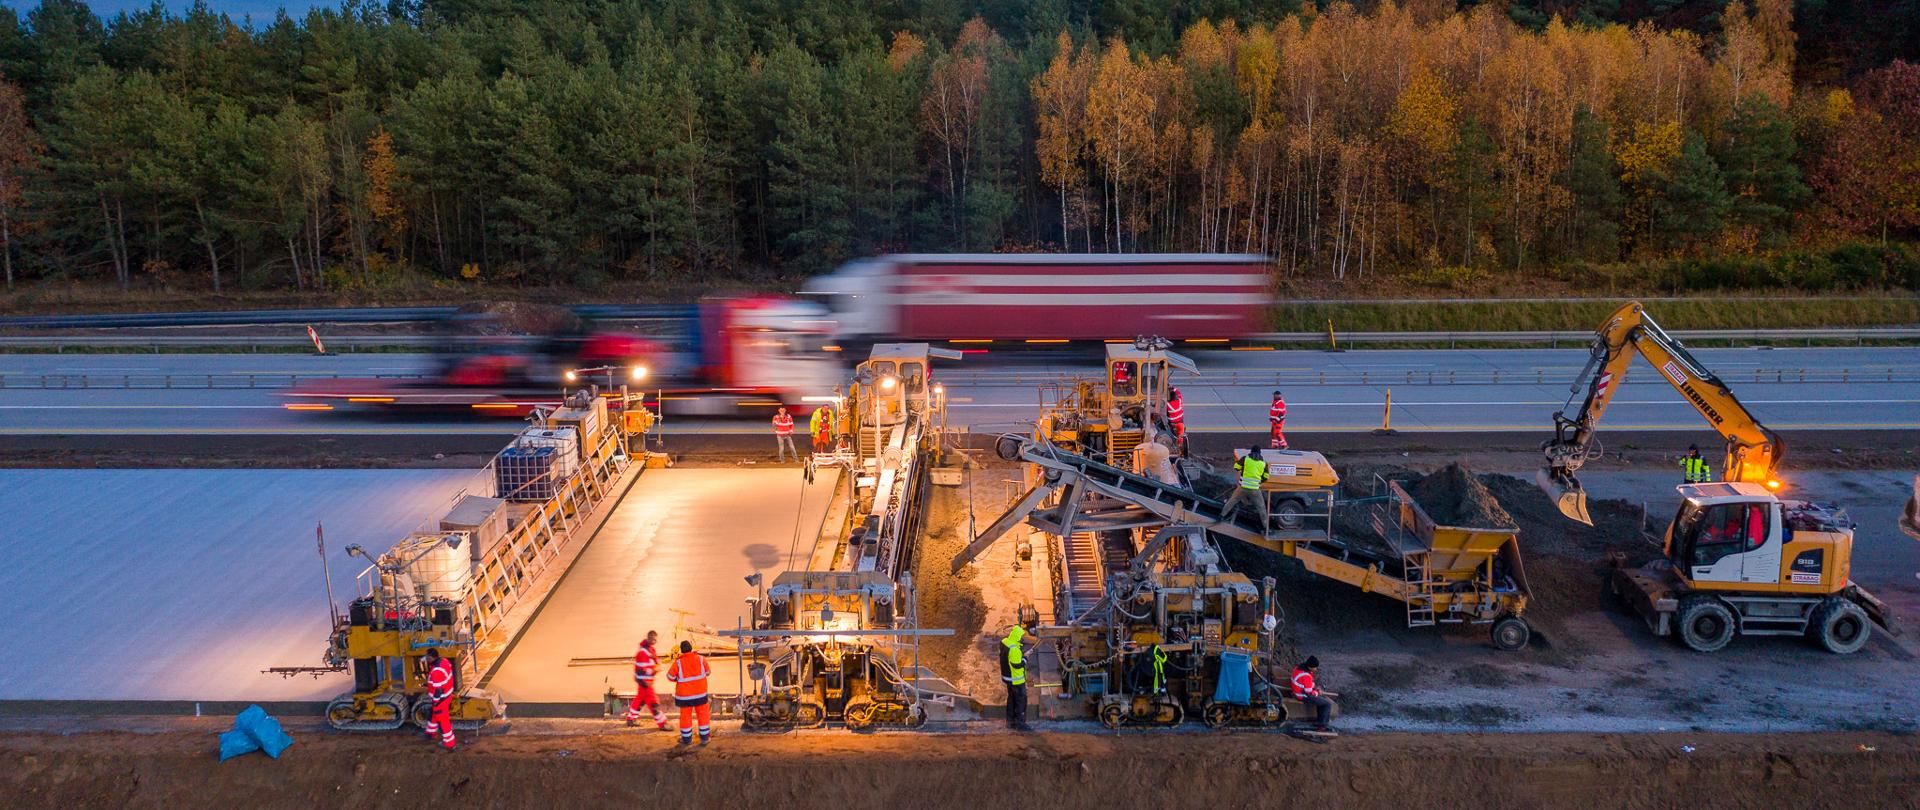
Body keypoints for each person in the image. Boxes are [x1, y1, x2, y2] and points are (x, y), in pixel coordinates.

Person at [665, 640, 712, 746]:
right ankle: (704, 738)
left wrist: (678, 678)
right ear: (691, 648)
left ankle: (687, 740)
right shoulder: (701, 659)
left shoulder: (678, 662)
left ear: (682, 651)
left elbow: (670, 677)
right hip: (700, 694)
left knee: (685, 717)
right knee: (703, 715)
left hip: (685, 697)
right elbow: (708, 672)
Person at [623, 631, 668, 730]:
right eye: (652, 639)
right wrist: (655, 670)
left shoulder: (650, 650)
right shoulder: (644, 652)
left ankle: (631, 719)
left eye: (655, 639)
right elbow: (641, 671)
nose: (654, 641)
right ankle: (662, 724)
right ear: (648, 638)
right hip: (645, 683)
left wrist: (657, 667)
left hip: (644, 682)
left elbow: (649, 665)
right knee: (653, 703)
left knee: (640, 700)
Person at [1221, 446, 1268, 526]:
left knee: (1232, 501)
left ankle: (1221, 516)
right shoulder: (1263, 463)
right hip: (1255, 489)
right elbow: (1266, 477)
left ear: (1251, 451)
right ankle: (1265, 526)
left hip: (1243, 487)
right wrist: (1259, 482)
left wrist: (1243, 468)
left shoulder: (1245, 459)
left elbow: (1236, 467)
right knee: (1261, 508)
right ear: (1260, 453)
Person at [421, 648, 457, 751]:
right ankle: (430, 733)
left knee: (443, 721)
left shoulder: (437, 671)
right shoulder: (444, 661)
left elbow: (438, 690)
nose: (426, 659)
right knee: (434, 715)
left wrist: (436, 702)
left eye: (427, 657)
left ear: (432, 657)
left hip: (441, 699)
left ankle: (449, 743)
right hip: (446, 695)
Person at [1000, 623, 1033, 731]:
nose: (1022, 639)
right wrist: (1026, 658)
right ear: (1017, 637)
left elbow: (1011, 660)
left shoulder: (1005, 642)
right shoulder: (1014, 649)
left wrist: (1022, 655)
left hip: (1007, 678)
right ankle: (1021, 723)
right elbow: (1017, 665)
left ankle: (1010, 722)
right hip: (1016, 680)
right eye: (1021, 637)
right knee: (1021, 701)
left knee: (1011, 699)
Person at [1290, 655, 1334, 732]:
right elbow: (1309, 692)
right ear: (1310, 667)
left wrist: (1316, 689)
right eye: (1315, 667)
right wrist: (1317, 693)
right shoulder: (1306, 675)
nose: (1316, 669)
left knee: (1321, 701)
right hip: (1301, 695)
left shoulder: (1299, 668)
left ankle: (1320, 722)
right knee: (1327, 704)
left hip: (1298, 691)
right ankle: (1322, 726)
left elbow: (1308, 684)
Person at [1166, 387, 1187, 454]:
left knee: (1171, 434)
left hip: (1172, 423)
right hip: (1180, 422)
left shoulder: (1168, 404)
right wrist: (1174, 388)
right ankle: (1180, 447)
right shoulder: (1180, 401)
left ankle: (1172, 445)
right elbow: (1179, 394)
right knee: (1181, 435)